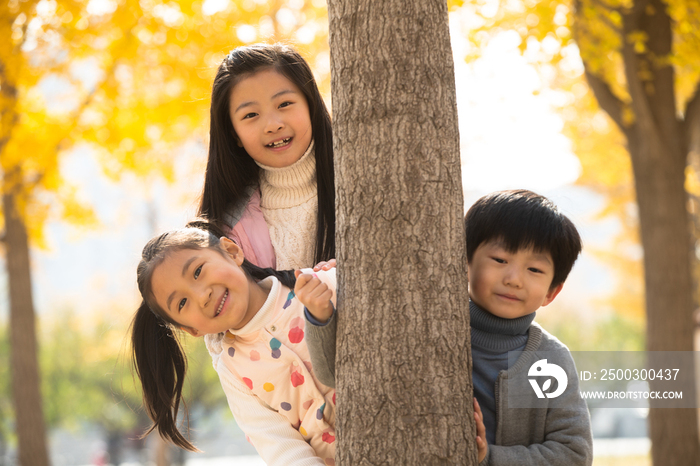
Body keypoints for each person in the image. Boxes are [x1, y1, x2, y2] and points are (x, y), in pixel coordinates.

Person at [303, 189, 593, 465]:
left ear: (552, 292)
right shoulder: (426, 325)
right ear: (464, 262)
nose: (514, 278)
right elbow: (336, 375)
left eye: (534, 270)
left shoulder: (549, 359)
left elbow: (574, 453)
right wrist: (322, 315)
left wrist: (487, 458)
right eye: (500, 259)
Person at [131, 222, 337, 465]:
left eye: (198, 271)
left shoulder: (316, 287)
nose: (202, 296)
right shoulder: (233, 370)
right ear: (191, 330)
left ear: (232, 251)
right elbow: (279, 445)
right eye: (182, 303)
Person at [197, 43, 335, 271]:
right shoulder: (231, 230)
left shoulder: (357, 178)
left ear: (310, 105)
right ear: (234, 134)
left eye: (284, 104)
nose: (273, 125)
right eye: (250, 115)